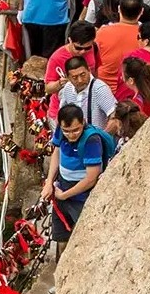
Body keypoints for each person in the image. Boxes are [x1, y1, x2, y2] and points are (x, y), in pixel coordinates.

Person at [41, 103, 117, 242]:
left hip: (81, 196)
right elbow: (57, 151)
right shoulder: (61, 130)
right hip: (62, 187)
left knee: (83, 237)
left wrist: (64, 195)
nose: (71, 135)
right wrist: (49, 182)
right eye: (67, 131)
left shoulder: (91, 141)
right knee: (60, 238)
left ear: (83, 122)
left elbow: (91, 179)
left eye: (76, 130)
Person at [95, 0, 146, 95]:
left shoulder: (102, 32)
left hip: (103, 90)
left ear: (119, 9)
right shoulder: (146, 37)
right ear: (141, 11)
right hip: (131, 92)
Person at [56, 55, 116, 129]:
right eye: (75, 77)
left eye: (83, 75)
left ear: (89, 70)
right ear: (67, 77)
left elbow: (115, 117)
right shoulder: (67, 88)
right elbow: (61, 114)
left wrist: (103, 137)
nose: (80, 80)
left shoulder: (99, 89)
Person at [42, 21, 99, 94]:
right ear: (70, 40)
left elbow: (97, 71)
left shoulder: (94, 48)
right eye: (78, 48)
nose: (83, 52)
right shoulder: (57, 58)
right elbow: (48, 89)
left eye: (87, 48)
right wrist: (60, 83)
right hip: (64, 103)